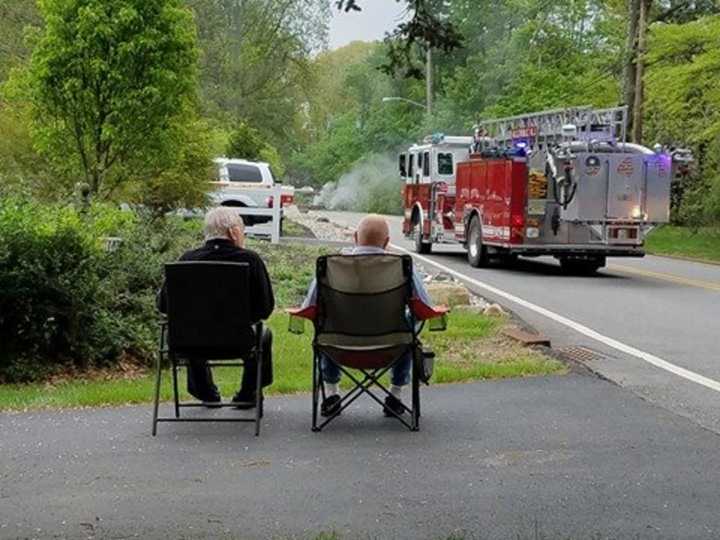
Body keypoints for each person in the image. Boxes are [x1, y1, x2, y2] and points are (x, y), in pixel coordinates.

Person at [301, 214, 434, 418]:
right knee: (407, 328)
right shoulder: (402, 266)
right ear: (387, 242)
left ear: (355, 237)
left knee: (325, 322)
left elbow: (309, 306)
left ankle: (331, 395)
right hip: (391, 348)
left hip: (339, 348)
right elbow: (425, 306)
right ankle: (395, 396)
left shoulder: (331, 266)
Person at [157, 207, 274, 408]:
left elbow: (163, 305)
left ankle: (206, 393)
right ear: (233, 232)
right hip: (238, 341)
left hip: (189, 343)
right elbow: (265, 308)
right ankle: (249, 392)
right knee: (264, 335)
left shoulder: (187, 260)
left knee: (191, 329)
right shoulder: (250, 260)